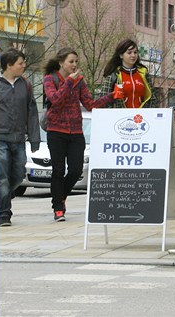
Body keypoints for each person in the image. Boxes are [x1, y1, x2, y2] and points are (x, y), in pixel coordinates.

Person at [43, 47, 124, 222]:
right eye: (71, 61)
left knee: (76, 170)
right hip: (56, 131)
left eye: (76, 62)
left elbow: (90, 105)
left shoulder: (79, 81)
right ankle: (58, 208)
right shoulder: (50, 79)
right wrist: (69, 83)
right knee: (58, 170)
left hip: (76, 132)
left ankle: (61, 196)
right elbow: (55, 100)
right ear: (61, 63)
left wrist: (112, 95)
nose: (74, 65)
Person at [0, 48, 41, 227]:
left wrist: (34, 138)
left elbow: (32, 112)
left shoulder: (25, 84)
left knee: (19, 174)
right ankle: (4, 214)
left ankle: (1, 193)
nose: (24, 66)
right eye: (20, 63)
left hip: (19, 138)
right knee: (3, 177)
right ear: (9, 65)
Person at [100, 39, 156, 108]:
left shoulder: (144, 73)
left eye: (135, 52)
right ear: (121, 55)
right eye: (129, 53)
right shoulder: (113, 75)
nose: (133, 55)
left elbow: (152, 98)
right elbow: (103, 100)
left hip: (140, 117)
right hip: (120, 117)